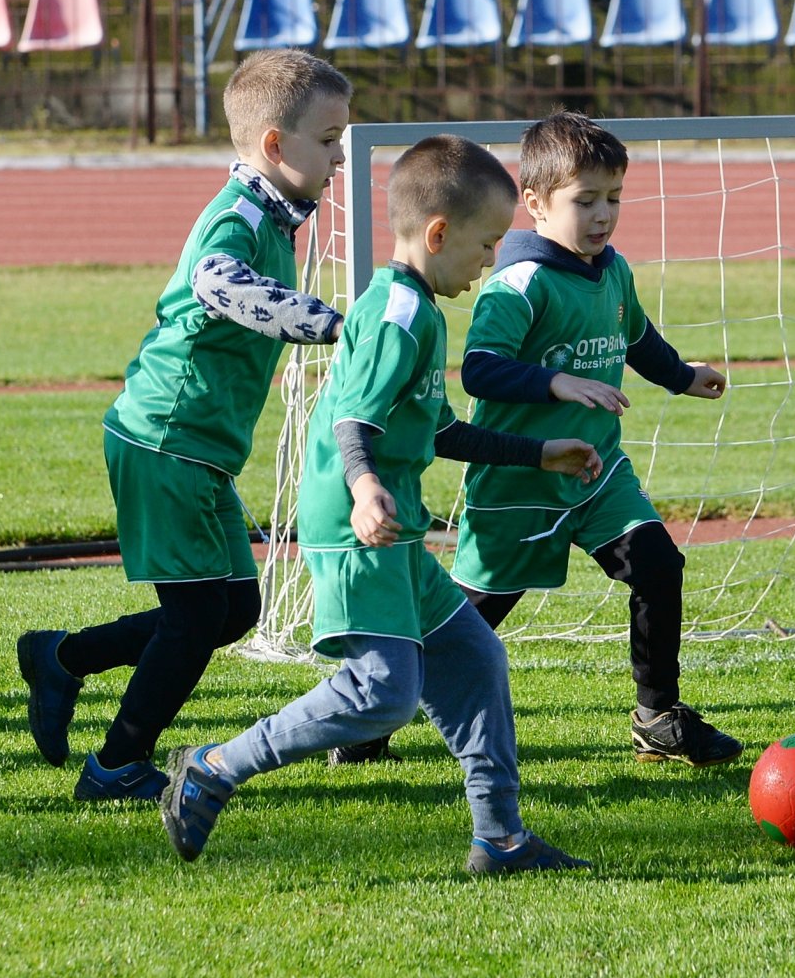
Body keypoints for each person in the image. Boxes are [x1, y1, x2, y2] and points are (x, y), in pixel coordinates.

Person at [158, 135, 597, 874]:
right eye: (486, 245)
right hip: (357, 527)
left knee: (475, 654)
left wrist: (537, 451)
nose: (490, 260)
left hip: (392, 525)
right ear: (438, 233)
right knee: (385, 694)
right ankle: (213, 766)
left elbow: (440, 427)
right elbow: (353, 418)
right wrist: (364, 486)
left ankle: (501, 837)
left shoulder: (417, 309)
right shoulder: (398, 312)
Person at [17, 50, 347, 802]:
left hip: (195, 448)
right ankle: (116, 764)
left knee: (233, 609)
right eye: (328, 140)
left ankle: (61, 658)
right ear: (273, 144)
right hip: (165, 438)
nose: (338, 157)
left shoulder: (275, 214)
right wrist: (334, 324)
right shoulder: (237, 215)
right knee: (197, 614)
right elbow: (215, 282)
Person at [439, 112, 742, 767]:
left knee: (659, 565)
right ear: (537, 202)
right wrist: (558, 383)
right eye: (586, 201)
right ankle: (368, 714)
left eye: (614, 199)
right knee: (466, 627)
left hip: (597, 472)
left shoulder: (612, 269)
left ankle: (657, 715)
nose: (603, 215)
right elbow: (479, 367)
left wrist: (681, 375)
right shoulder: (518, 283)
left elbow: (636, 338)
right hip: (520, 481)